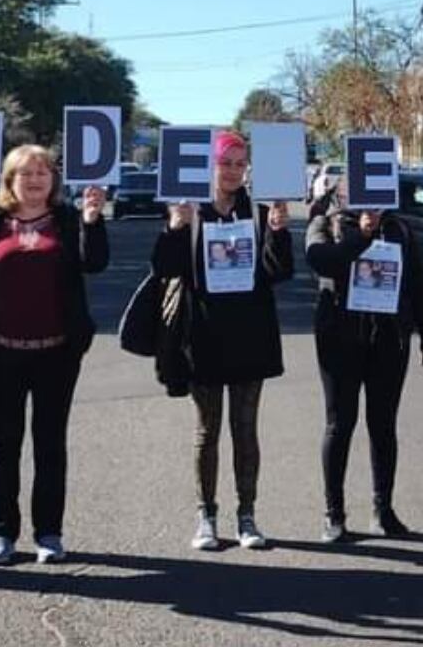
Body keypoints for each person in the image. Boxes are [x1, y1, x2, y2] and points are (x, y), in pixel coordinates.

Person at [0, 145, 109, 565]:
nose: (35, 179)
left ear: (53, 180)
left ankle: (49, 533)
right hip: (0, 351)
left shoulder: (68, 218)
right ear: (9, 180)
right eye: (25, 173)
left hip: (56, 352)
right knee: (3, 446)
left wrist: (93, 219)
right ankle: (2, 533)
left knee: (50, 444)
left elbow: (95, 263)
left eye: (43, 172)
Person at [152, 130, 293, 551]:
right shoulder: (189, 209)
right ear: (209, 167)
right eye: (224, 163)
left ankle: (247, 517)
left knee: (245, 429)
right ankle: (206, 517)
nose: (232, 171)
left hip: (250, 335)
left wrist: (279, 233)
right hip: (203, 336)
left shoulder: (259, 209)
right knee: (207, 430)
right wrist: (176, 228)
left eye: (238, 163)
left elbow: (277, 272)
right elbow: (165, 268)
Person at [307, 189, 423, 542]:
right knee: (340, 423)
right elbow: (323, 261)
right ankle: (333, 515)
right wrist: (362, 235)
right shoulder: (326, 221)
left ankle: (383, 511)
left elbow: (417, 282)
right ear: (343, 189)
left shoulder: (398, 228)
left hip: (388, 339)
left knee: (383, 426)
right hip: (339, 339)